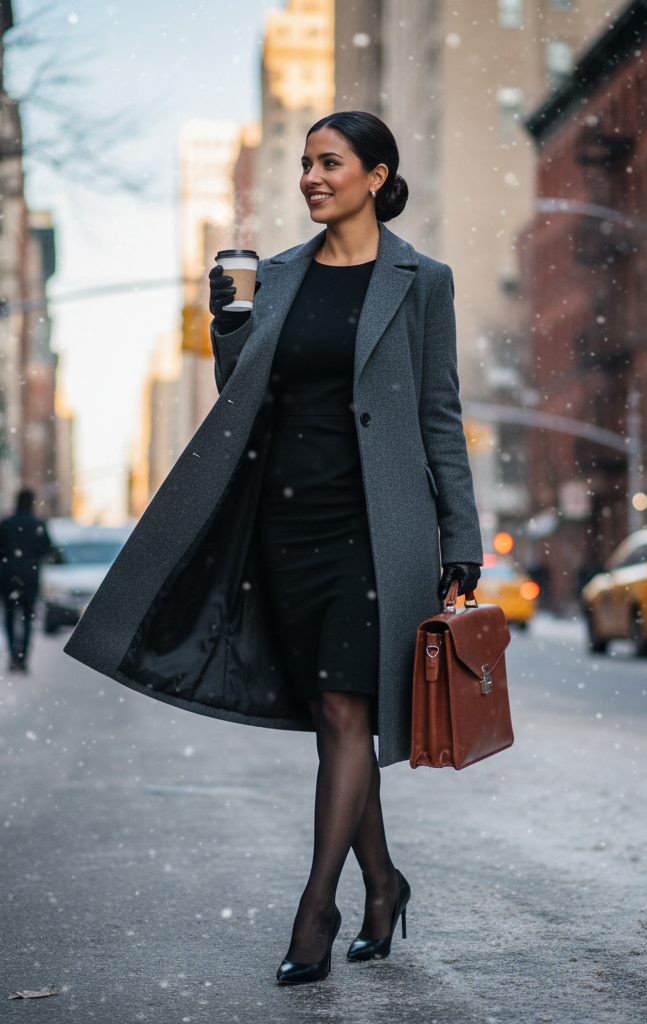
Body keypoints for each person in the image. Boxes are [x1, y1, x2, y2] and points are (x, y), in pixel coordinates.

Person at [64, 110, 482, 985]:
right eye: (304, 165)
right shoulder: (279, 276)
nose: (310, 178)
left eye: (329, 163)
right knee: (338, 722)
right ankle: (383, 883)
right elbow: (240, 391)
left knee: (342, 712)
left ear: (376, 175)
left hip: (376, 530)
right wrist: (229, 321)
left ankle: (316, 907)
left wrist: (461, 538)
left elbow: (437, 413)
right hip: (284, 528)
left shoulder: (421, 281)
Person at [0, 488, 52, 672]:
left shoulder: (6, 523)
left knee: (9, 616)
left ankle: (13, 653)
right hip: (30, 577)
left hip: (8, 577)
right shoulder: (37, 524)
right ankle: (23, 657)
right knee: (28, 617)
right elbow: (46, 549)